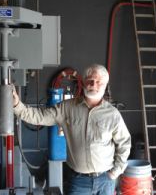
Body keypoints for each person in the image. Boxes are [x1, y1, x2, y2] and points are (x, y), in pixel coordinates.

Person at [13, 64, 131, 195]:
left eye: (99, 82)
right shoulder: (67, 108)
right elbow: (39, 117)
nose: (94, 84)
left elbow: (124, 143)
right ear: (84, 82)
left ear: (105, 85)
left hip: (105, 180)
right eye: (90, 80)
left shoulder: (112, 114)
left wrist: (115, 172)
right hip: (78, 181)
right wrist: (17, 105)